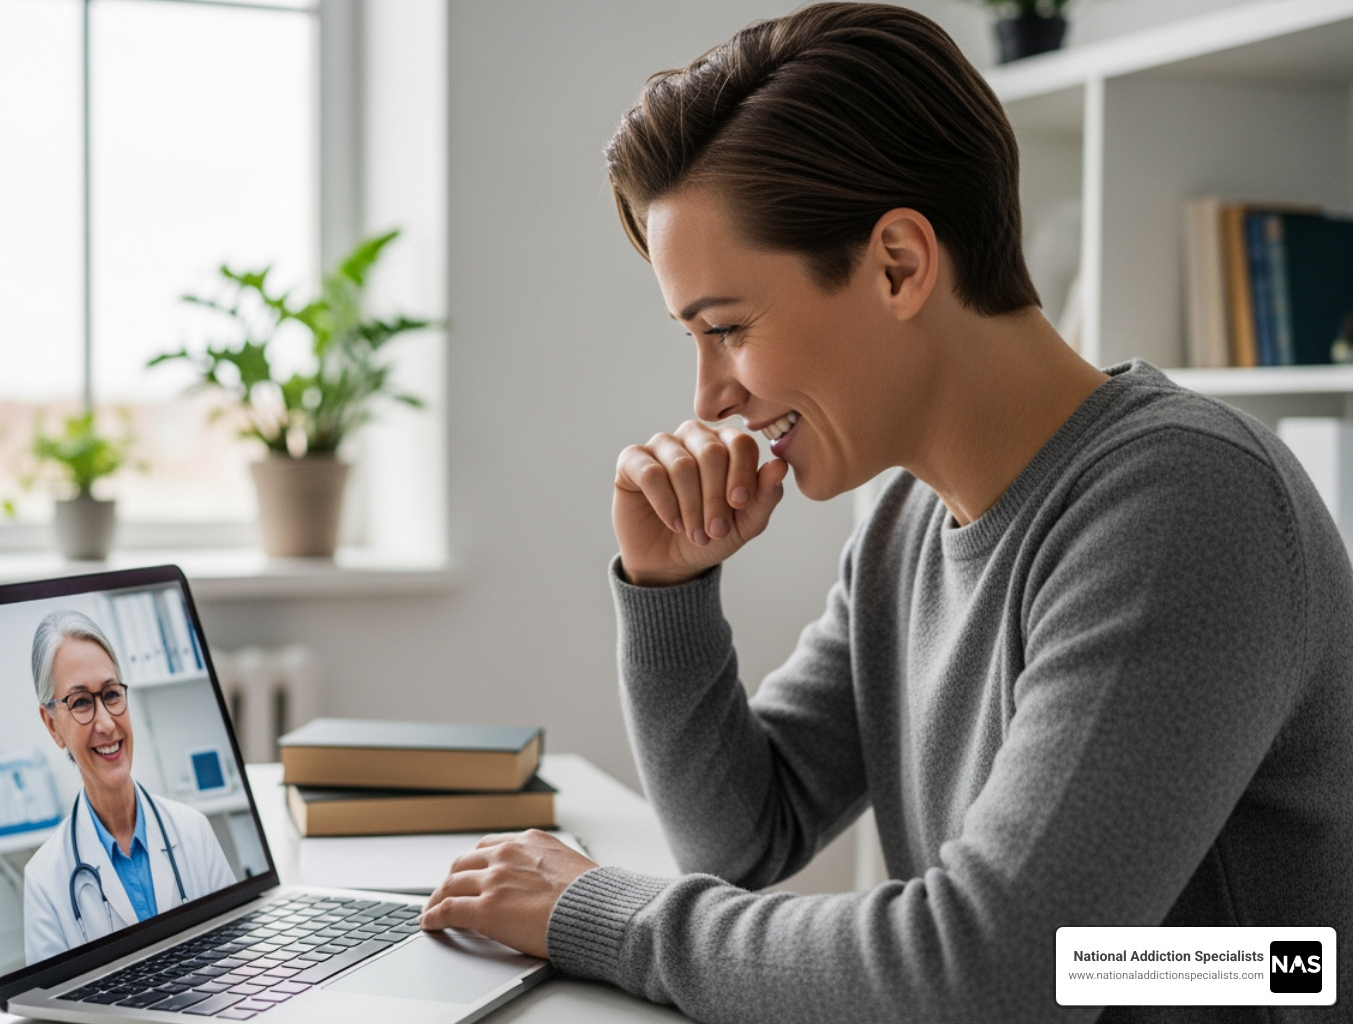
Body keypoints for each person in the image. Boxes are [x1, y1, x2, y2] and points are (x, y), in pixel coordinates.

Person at [418, 4, 1353, 1021]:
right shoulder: (908, 522)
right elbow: (743, 838)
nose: (708, 399)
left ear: (900, 263)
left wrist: (593, 912)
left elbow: (996, 970)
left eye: (726, 327)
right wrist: (668, 589)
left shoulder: (1184, 502)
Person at [22, 610, 235, 966]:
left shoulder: (194, 830)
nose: (106, 723)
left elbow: (240, 963)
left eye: (111, 694)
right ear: (52, 726)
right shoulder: (44, 881)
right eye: (81, 703)